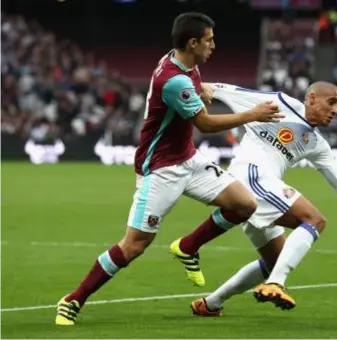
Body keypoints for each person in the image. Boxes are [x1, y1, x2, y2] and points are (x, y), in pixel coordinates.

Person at [55, 12, 282, 326]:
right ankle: (73, 300)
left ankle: (188, 246)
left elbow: (200, 93)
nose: (214, 45)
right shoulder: (173, 80)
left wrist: (236, 97)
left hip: (189, 158)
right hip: (161, 168)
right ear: (192, 42)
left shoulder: (185, 64)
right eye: (209, 40)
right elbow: (203, 122)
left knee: (244, 204)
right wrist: (253, 115)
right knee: (134, 245)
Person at [189, 82, 337, 316]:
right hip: (250, 177)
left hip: (260, 191)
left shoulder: (318, 144)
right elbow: (227, 91)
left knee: (274, 261)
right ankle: (276, 283)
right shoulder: (280, 103)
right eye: (331, 102)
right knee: (314, 220)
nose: (335, 110)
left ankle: (210, 304)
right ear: (311, 99)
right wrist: (205, 87)